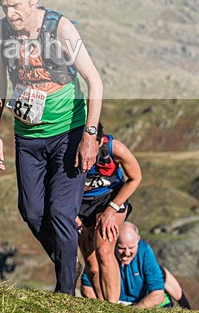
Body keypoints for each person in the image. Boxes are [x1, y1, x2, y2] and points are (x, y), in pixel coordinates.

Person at [0, 0, 103, 294]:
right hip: (27, 135)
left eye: (16, 7)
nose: (10, 14)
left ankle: (65, 293)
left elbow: (95, 81)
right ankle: (68, 262)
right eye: (4, 7)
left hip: (69, 132)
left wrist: (89, 137)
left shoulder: (60, 28)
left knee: (61, 213)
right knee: (32, 211)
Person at [77, 123, 142, 302]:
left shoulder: (115, 149)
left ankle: (113, 305)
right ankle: (101, 303)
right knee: (91, 263)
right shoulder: (68, 149)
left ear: (100, 142)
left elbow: (136, 178)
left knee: (104, 251)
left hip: (110, 198)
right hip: (79, 203)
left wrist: (112, 209)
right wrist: (72, 216)